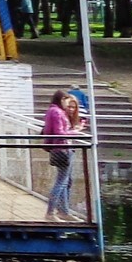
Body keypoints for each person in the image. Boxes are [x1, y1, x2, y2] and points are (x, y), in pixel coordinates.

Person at [42, 88, 85, 220]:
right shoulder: (57, 112)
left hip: (57, 148)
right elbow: (59, 133)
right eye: (66, 101)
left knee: (65, 181)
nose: (67, 105)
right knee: (61, 182)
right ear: (61, 100)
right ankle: (50, 212)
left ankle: (64, 211)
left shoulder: (51, 111)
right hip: (62, 149)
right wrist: (76, 131)